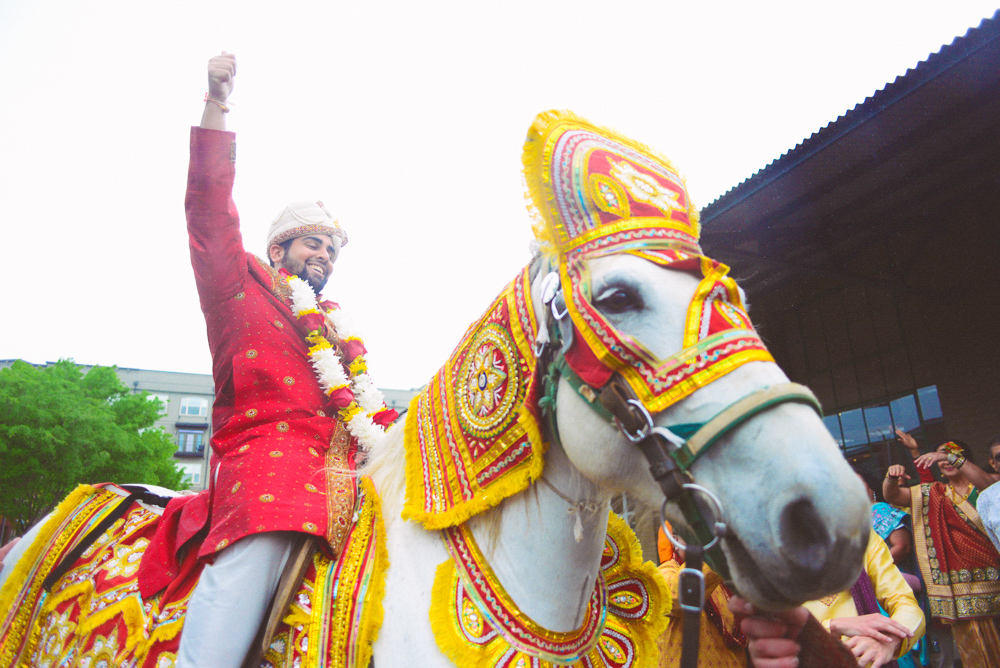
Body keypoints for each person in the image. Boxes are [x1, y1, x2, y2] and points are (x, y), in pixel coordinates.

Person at [173, 52, 396, 668]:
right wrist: (217, 105)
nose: (324, 253)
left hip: (351, 473)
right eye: (312, 242)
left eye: (331, 247)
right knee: (269, 533)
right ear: (279, 248)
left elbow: (366, 412)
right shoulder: (237, 285)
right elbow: (208, 210)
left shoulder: (334, 326)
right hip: (272, 473)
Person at [884, 432, 1000, 666]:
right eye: (941, 457)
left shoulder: (986, 485)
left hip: (995, 582)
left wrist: (947, 456)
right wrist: (889, 477)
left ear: (966, 460)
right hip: (958, 592)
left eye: (953, 455)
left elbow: (989, 486)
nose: (946, 460)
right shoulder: (934, 493)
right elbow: (893, 494)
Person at [656, 523, 748, 667]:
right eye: (695, 539)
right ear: (675, 542)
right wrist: (715, 555)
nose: (703, 546)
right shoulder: (664, 573)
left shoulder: (722, 577)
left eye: (705, 541)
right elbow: (677, 596)